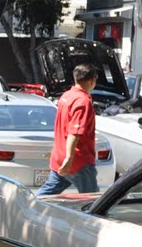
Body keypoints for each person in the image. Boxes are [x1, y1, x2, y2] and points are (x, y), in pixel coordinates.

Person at [37, 63, 101, 198]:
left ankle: (28, 205)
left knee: (47, 193)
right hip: (78, 161)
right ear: (92, 80)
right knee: (91, 199)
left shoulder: (67, 95)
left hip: (59, 155)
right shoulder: (83, 101)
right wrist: (69, 158)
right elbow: (74, 132)